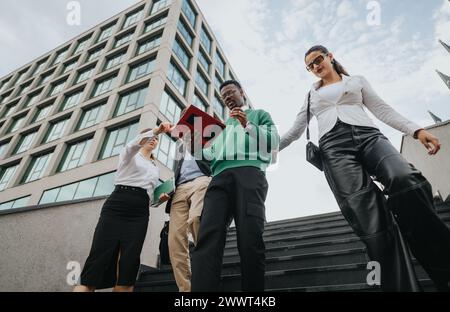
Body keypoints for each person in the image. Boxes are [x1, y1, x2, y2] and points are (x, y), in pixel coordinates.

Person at [280, 45, 450, 291]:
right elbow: (294, 131)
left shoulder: (356, 81)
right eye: (310, 66)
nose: (316, 66)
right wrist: (267, 151)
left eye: (318, 59)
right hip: (334, 150)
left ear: (330, 56)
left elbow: (382, 110)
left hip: (370, 137)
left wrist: (416, 130)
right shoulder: (311, 95)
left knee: (404, 179)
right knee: (372, 222)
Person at [191, 80, 280, 292]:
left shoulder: (259, 114)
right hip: (219, 178)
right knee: (207, 237)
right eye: (224, 97)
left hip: (249, 174)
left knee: (250, 238)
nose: (228, 98)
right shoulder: (221, 128)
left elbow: (273, 142)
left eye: (230, 93)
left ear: (242, 93)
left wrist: (247, 125)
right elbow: (211, 155)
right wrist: (193, 144)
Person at [74, 122, 173, 292]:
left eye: (156, 138)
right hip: (117, 205)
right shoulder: (130, 155)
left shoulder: (155, 168)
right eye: (151, 136)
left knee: (129, 261)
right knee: (98, 256)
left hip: (140, 213)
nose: (154, 139)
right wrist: (156, 129)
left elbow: (148, 195)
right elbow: (132, 145)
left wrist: (158, 200)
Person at [165, 114, 212, 292]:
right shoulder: (179, 143)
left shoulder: (206, 136)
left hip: (202, 180)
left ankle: (207, 269)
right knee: (175, 240)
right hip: (180, 188)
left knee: (195, 219)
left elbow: (211, 158)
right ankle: (186, 290)